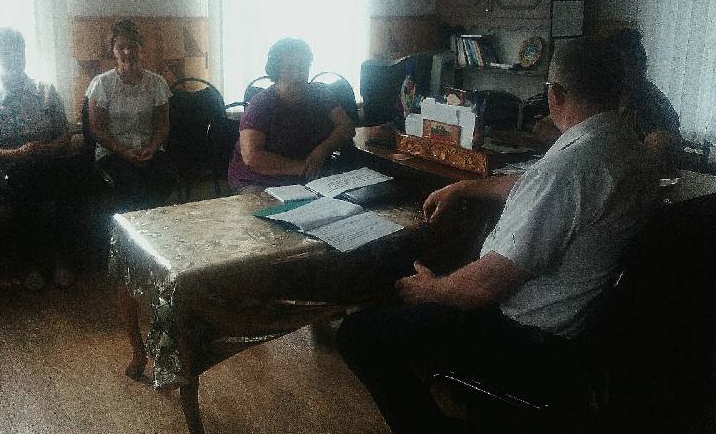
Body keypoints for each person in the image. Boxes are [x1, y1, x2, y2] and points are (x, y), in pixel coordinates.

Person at [336, 40, 660, 433]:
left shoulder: (572, 167)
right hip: (579, 331)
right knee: (428, 274)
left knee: (359, 334)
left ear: (555, 95)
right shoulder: (627, 147)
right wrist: (465, 188)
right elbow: (534, 184)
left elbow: (485, 286)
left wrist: (431, 290)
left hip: (524, 341)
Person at [0, 27, 76, 292]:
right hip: (0, 170)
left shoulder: (46, 91)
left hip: (43, 162)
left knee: (73, 175)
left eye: (18, 52)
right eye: (6, 53)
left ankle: (59, 254)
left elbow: (65, 133)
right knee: (25, 179)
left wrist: (49, 148)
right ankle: (34, 261)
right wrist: (15, 154)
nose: (14, 58)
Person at [532, 28, 681, 171]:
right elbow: (543, 126)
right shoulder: (599, 92)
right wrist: (579, 142)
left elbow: (661, 149)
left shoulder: (651, 101)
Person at [227, 38, 356, 192]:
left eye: (303, 67)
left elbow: (346, 126)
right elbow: (252, 157)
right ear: (276, 70)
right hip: (258, 180)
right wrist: (302, 167)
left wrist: (321, 151)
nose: (297, 74)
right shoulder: (261, 104)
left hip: (307, 177)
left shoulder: (321, 94)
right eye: (290, 68)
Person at [86, 19, 177, 210]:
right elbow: (96, 129)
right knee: (130, 184)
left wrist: (152, 148)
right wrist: (124, 152)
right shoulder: (102, 84)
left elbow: (163, 125)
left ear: (141, 49)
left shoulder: (157, 83)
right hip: (113, 153)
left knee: (166, 177)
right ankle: (132, 226)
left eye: (132, 46)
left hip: (149, 151)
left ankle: (155, 224)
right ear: (114, 51)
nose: (127, 52)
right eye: (121, 47)